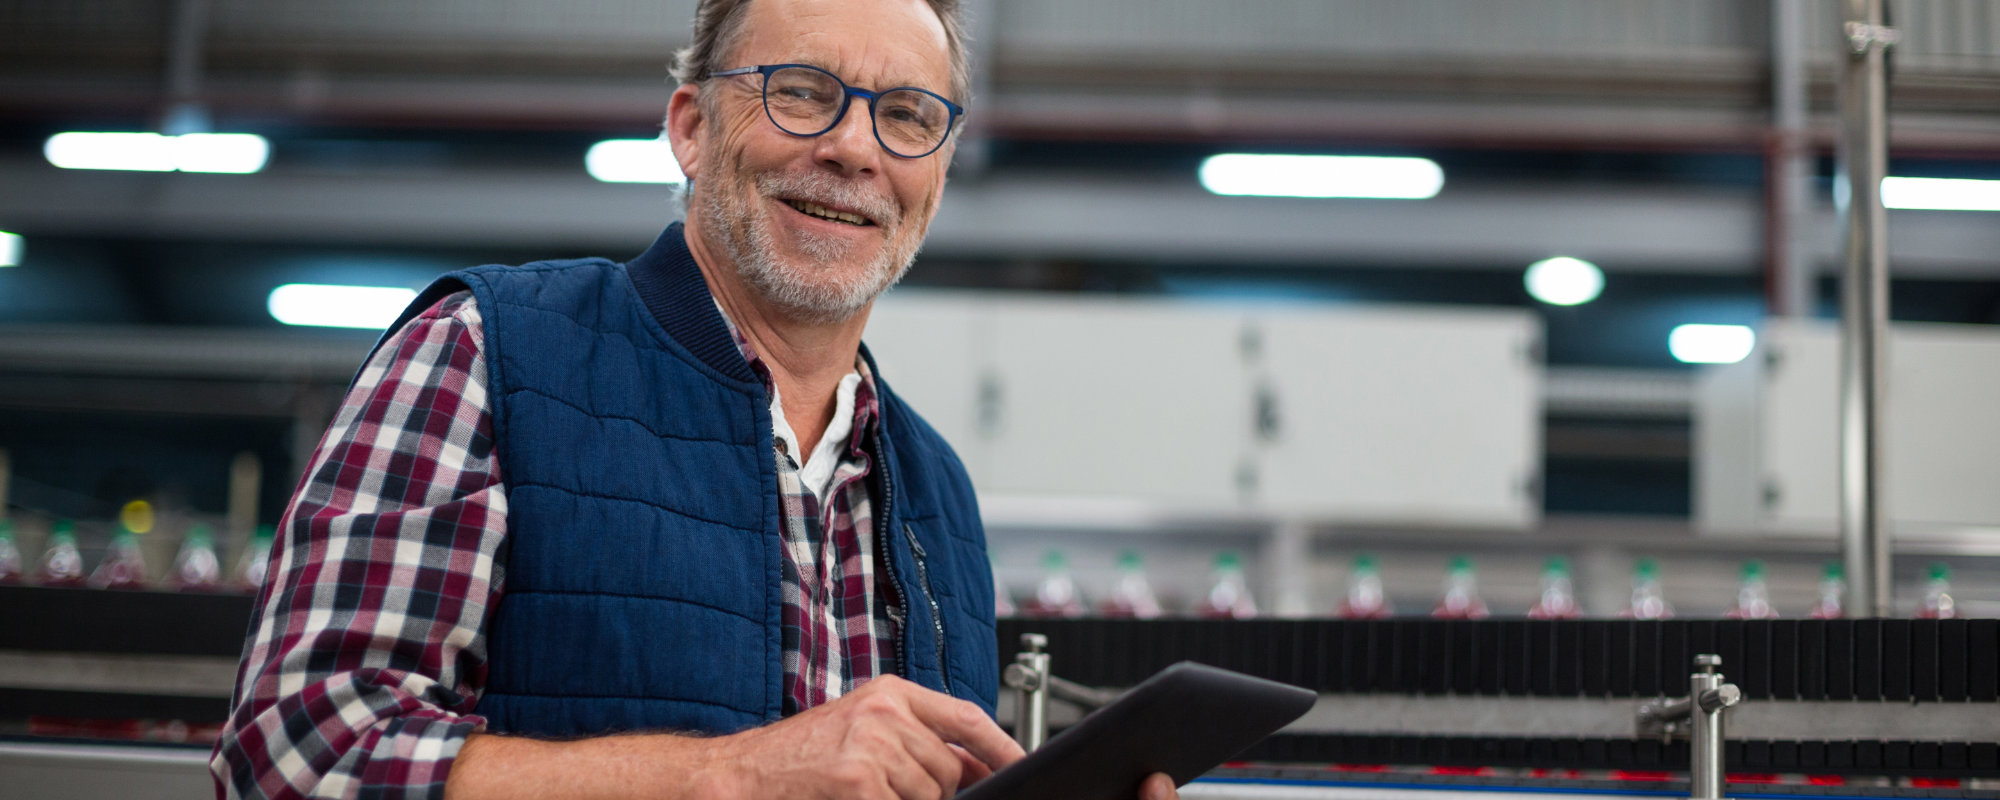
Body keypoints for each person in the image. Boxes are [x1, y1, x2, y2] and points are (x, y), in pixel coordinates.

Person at [209, 0, 1180, 798]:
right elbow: (295, 754)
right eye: (801, 94)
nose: (854, 148)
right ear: (689, 127)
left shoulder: (937, 493)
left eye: (908, 115)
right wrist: (726, 775)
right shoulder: (484, 353)